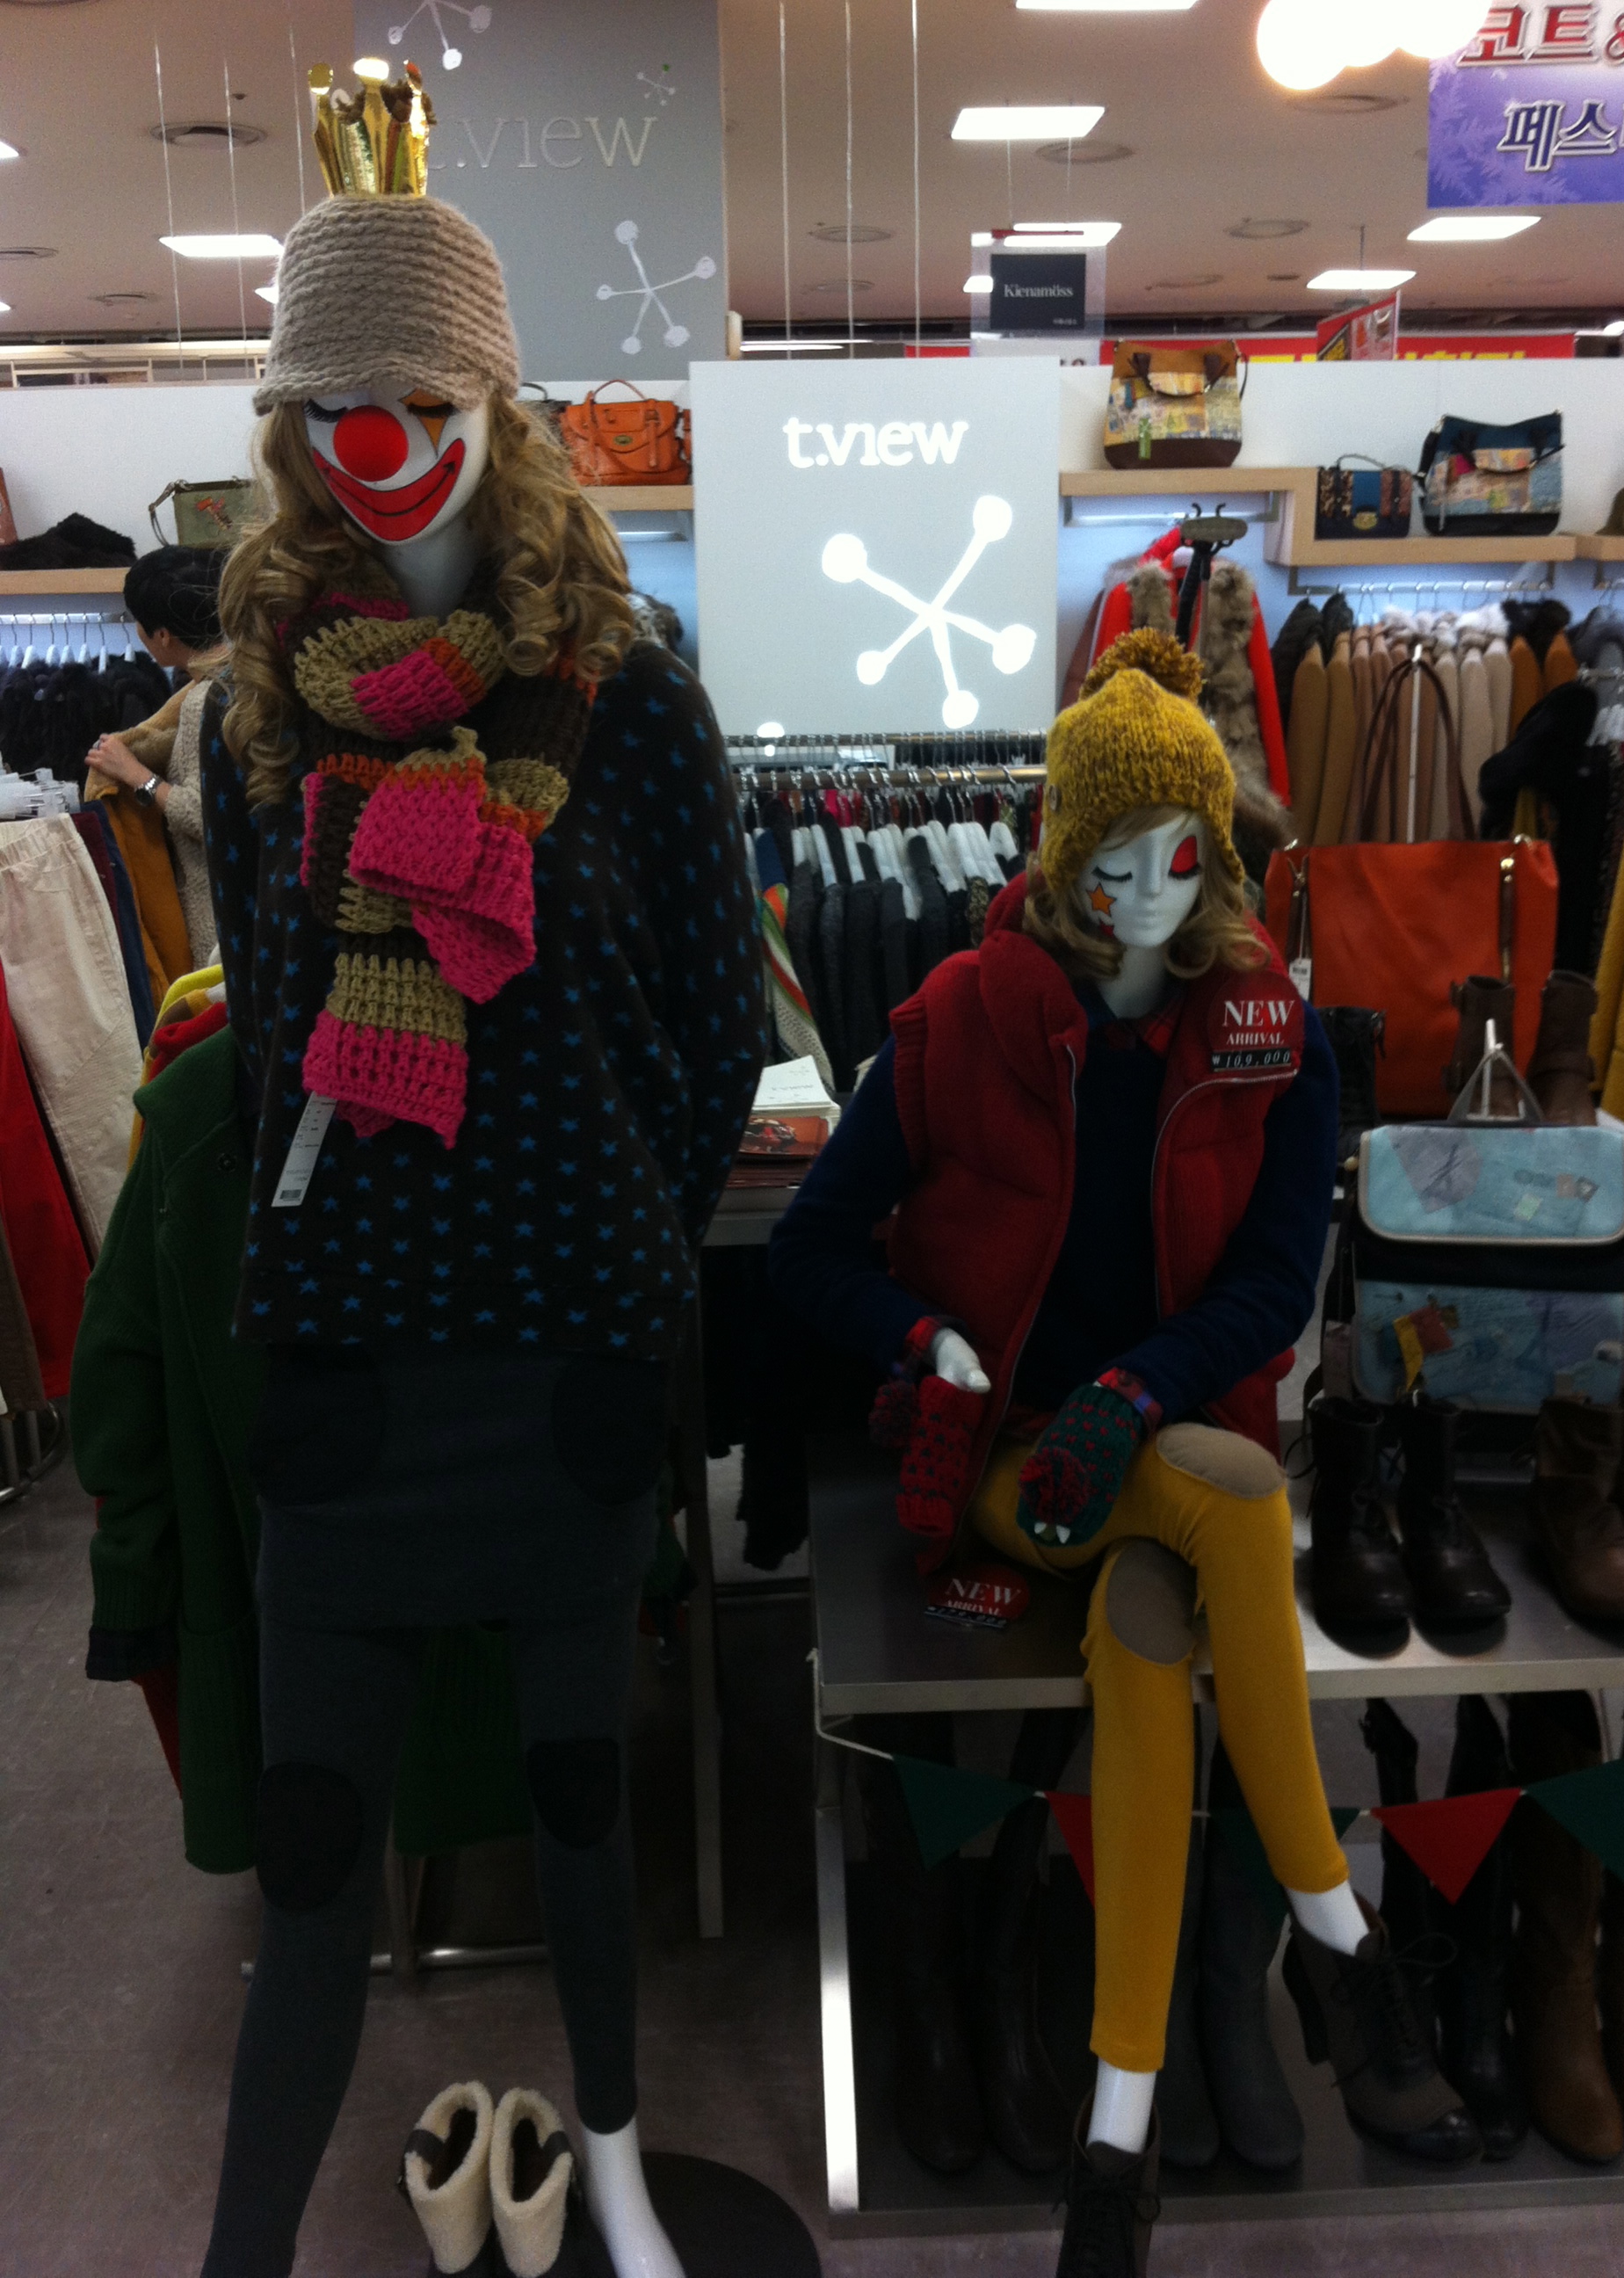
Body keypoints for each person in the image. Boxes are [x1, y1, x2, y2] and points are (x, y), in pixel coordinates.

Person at [189, 155, 765, 2278]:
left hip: (559, 1367)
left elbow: (716, 1034)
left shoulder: (631, 699)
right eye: (335, 406)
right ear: (293, 432)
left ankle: (612, 2176)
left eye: (422, 399)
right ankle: (241, 2247)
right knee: (314, 1853)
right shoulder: (258, 721)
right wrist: (326, 1263)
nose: (382, 442)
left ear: (494, 407)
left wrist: (616, 1251)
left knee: (585, 1811)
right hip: (347, 1371)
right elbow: (267, 1053)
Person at [768, 631, 1478, 2277]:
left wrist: (1139, 1392)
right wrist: (926, 1340)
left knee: (1151, 1645)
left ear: (1217, 855)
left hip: (1165, 1433)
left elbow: (1271, 1288)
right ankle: (1340, 1937)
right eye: (1110, 855)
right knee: (1237, 1502)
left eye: (1179, 853)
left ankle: (1115, 2135)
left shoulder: (1270, 1032)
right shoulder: (957, 1020)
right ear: (1059, 855)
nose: (1146, 889)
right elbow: (808, 1250)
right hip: (1017, 1453)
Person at [84, 545, 228, 968]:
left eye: (140, 625)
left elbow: (206, 816)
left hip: (222, 912)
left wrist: (134, 773)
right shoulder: (242, 679)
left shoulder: (205, 701)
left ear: (163, 635)